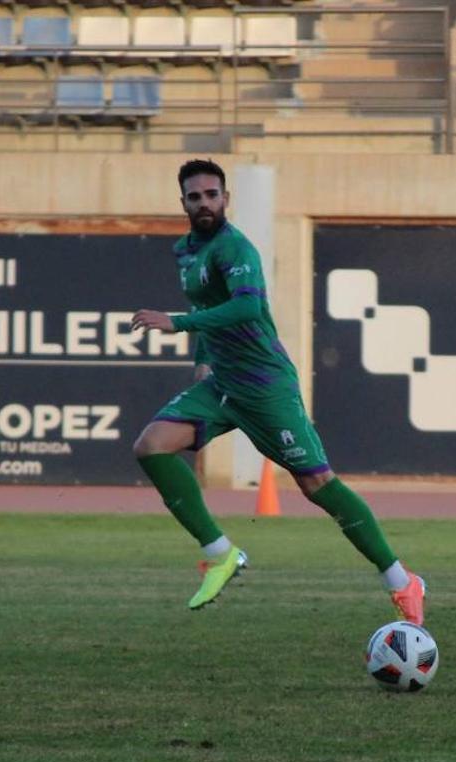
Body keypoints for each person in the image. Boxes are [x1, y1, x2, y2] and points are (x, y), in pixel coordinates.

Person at [130, 159, 425, 626]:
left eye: (212, 194)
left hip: (266, 386)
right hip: (222, 384)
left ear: (226, 199)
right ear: (182, 202)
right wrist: (201, 358)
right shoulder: (186, 251)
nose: (204, 203)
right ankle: (220, 553)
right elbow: (207, 305)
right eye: (194, 196)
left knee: (317, 486)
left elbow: (247, 307)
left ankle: (401, 580)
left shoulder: (235, 247)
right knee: (151, 446)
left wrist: (178, 324)